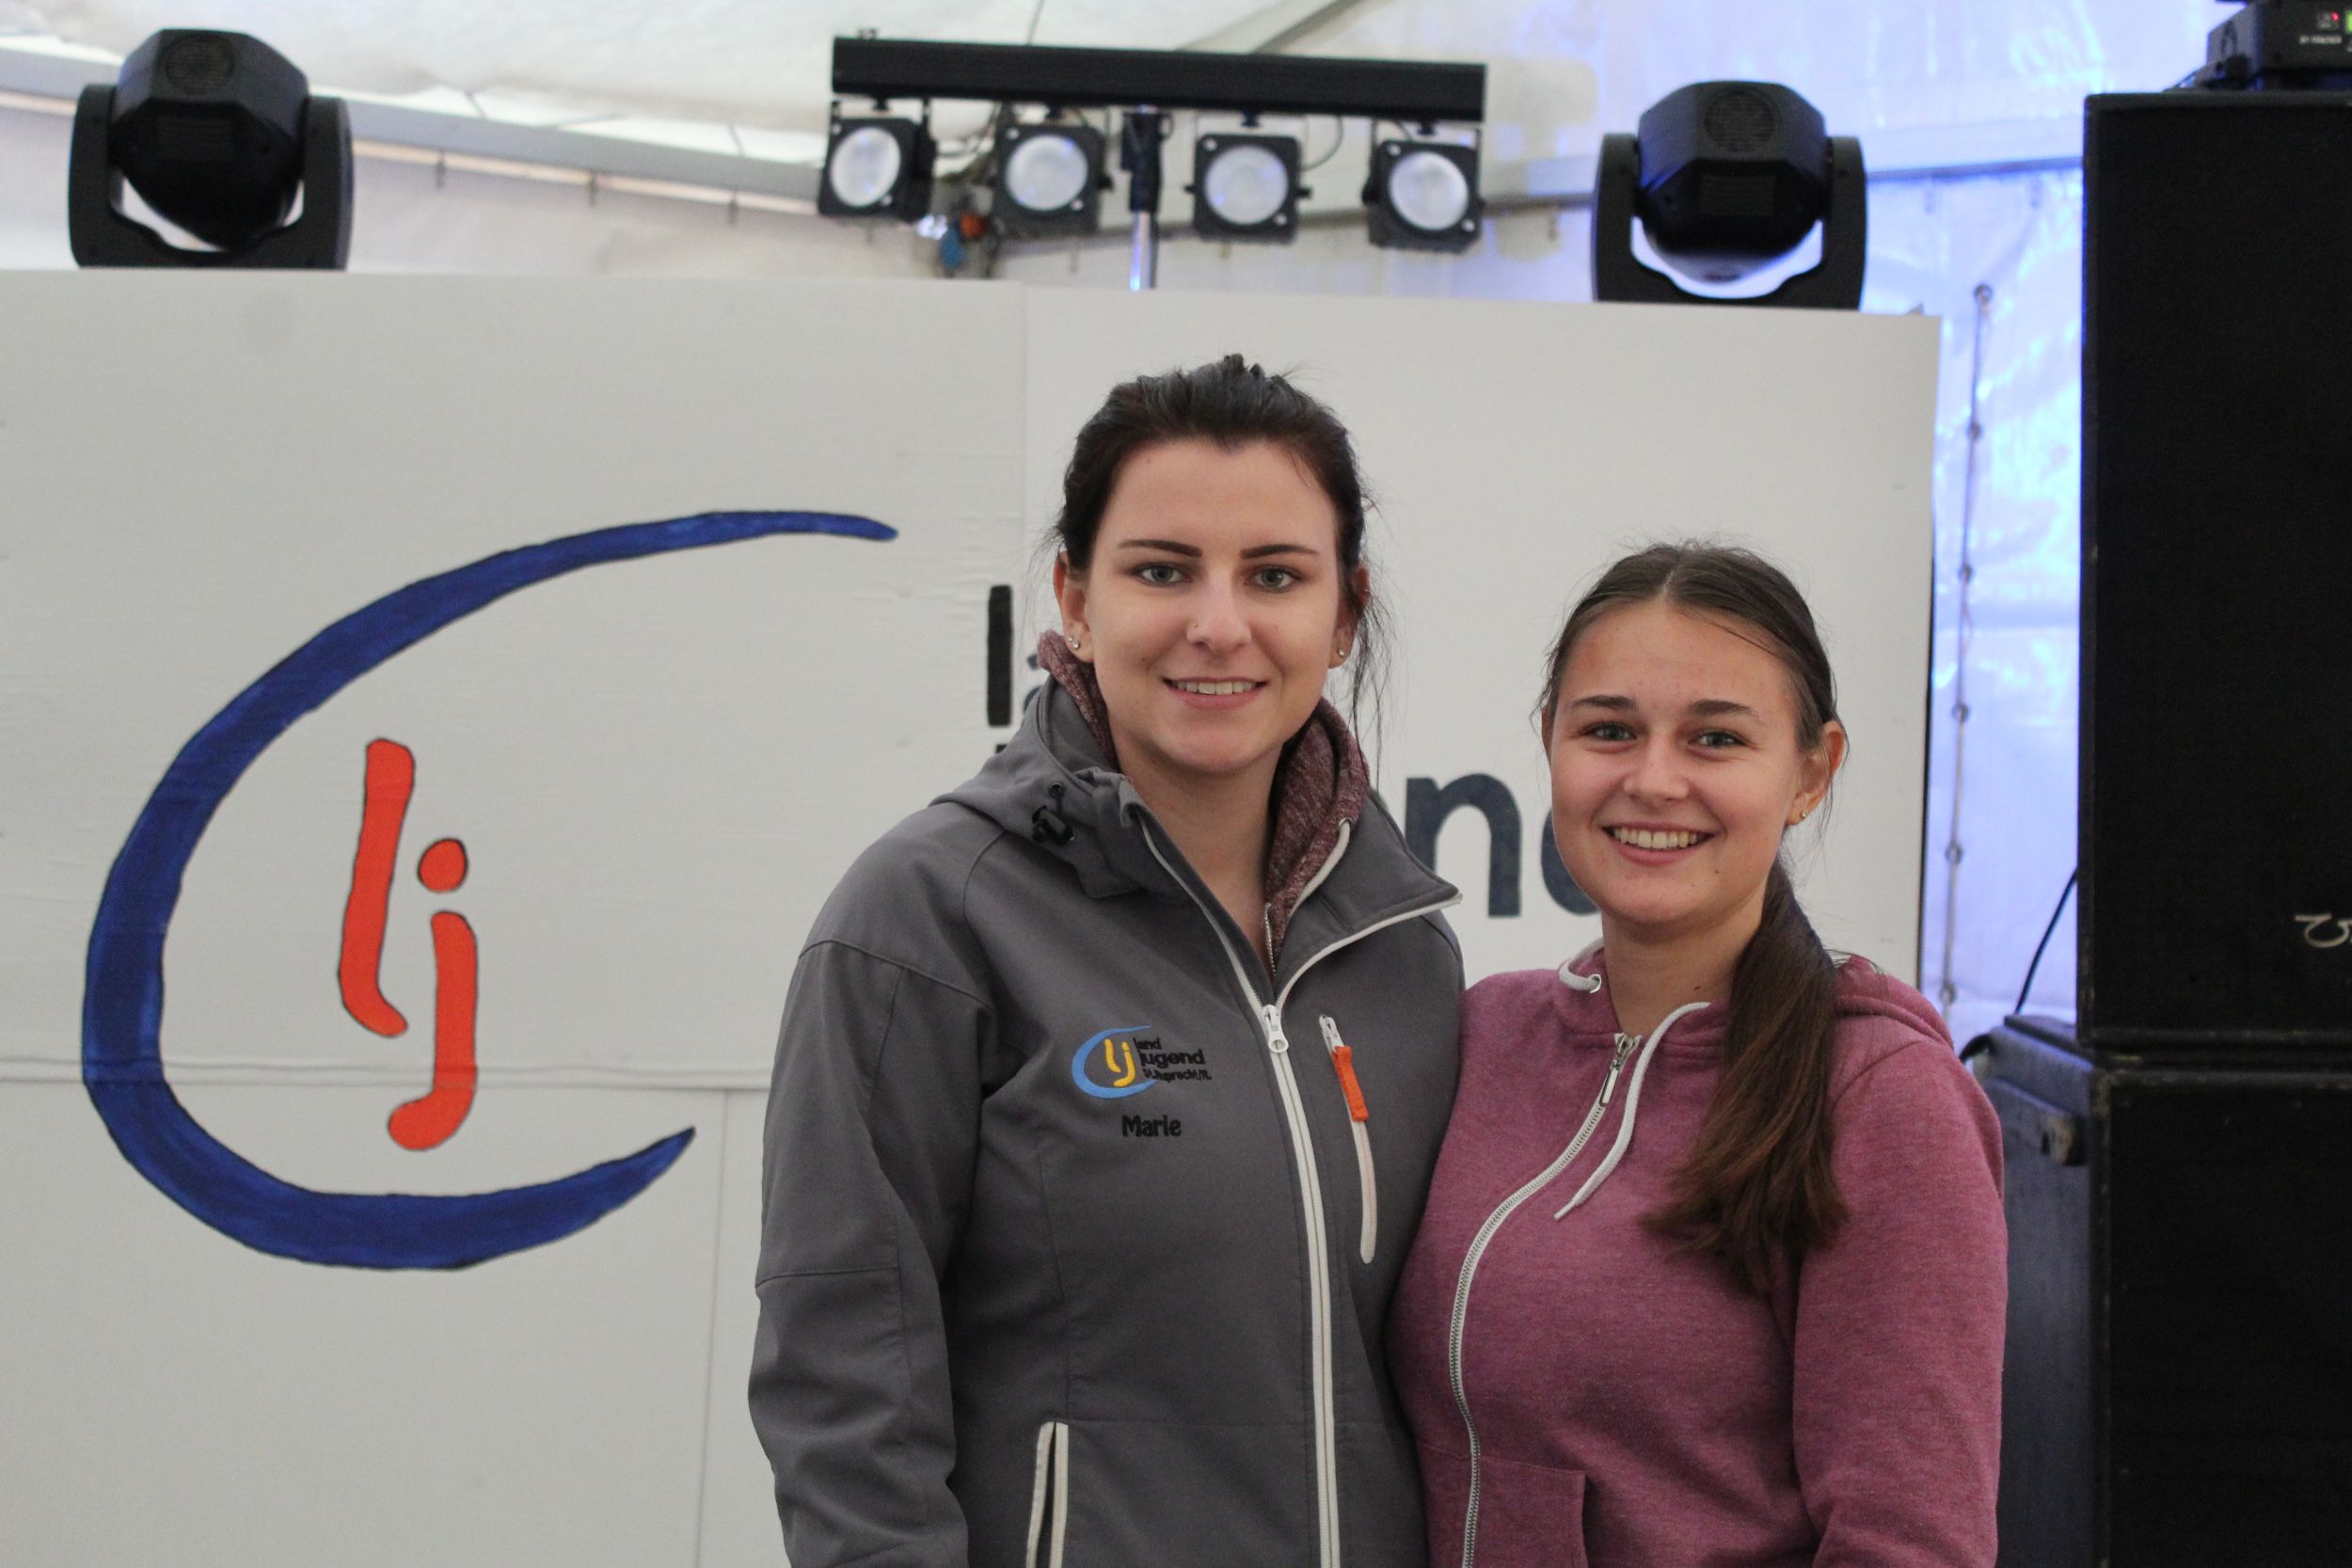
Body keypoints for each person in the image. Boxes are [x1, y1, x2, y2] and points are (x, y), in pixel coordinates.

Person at [751, 356, 1464, 1568]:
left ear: (1343, 614)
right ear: (1075, 598)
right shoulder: (929, 916)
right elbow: (842, 1377)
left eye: (1275, 575)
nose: (1218, 624)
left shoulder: (1401, 947)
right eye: (1162, 570)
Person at [1390, 543, 2005, 1568]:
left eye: (1715, 738)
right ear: (1549, 741)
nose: (1654, 779)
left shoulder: (1881, 1096)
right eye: (1609, 730)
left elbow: (1910, 1541)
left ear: (1811, 770)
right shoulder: (1486, 1034)